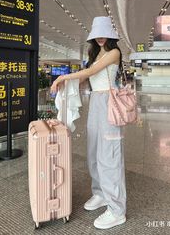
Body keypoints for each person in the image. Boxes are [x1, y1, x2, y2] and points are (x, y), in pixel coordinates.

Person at [50, 16, 126, 230]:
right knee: (93, 152)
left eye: (104, 33)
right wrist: (68, 83)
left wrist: (61, 78)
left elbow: (91, 72)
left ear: (110, 34)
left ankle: (117, 209)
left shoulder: (114, 53)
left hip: (110, 104)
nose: (101, 38)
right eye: (97, 34)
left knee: (109, 156)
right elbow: (86, 78)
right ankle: (100, 194)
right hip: (96, 103)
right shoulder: (96, 54)